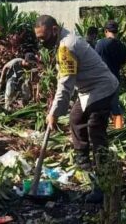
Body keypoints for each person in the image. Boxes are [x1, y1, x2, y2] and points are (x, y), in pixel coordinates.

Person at [34, 15, 118, 203]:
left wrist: (54, 113)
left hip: (101, 89)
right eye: (38, 38)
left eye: (43, 37)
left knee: (95, 131)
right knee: (75, 118)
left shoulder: (67, 46)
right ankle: (84, 163)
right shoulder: (64, 42)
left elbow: (65, 85)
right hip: (88, 91)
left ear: (54, 30)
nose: (41, 41)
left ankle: (103, 182)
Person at [95, 20, 126, 128]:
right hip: (115, 79)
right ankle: (119, 130)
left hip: (102, 80)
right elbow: (123, 63)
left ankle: (101, 130)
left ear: (106, 31)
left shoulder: (100, 44)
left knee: (101, 106)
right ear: (117, 32)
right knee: (115, 106)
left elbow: (95, 60)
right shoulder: (122, 46)